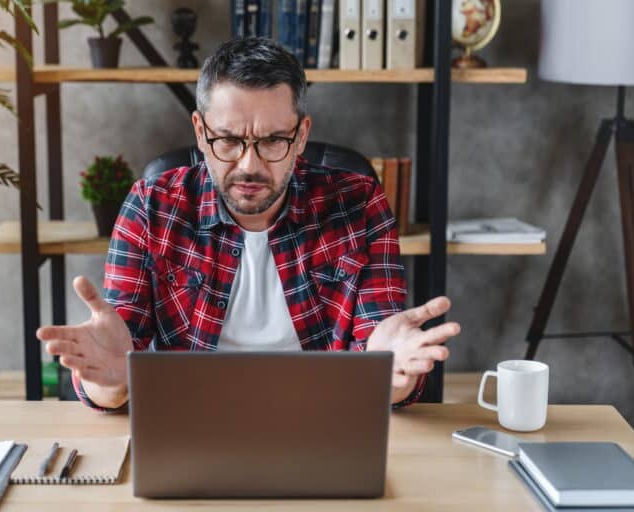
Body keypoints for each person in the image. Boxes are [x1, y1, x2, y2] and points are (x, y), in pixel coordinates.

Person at [37, 37, 461, 411]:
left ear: (301, 136)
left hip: (322, 419)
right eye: (228, 140)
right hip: (188, 420)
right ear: (201, 133)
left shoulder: (359, 202)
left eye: (274, 140)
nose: (249, 166)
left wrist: (392, 381)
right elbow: (115, 356)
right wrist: (109, 385)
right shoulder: (152, 206)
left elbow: (382, 354)